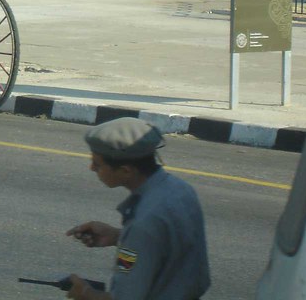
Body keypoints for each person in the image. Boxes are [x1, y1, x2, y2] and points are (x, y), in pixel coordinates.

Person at [64, 117, 210, 300]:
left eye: (98, 164)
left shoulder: (142, 224)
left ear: (126, 170)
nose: (92, 168)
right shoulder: (180, 190)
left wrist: (85, 293)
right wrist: (119, 236)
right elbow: (168, 245)